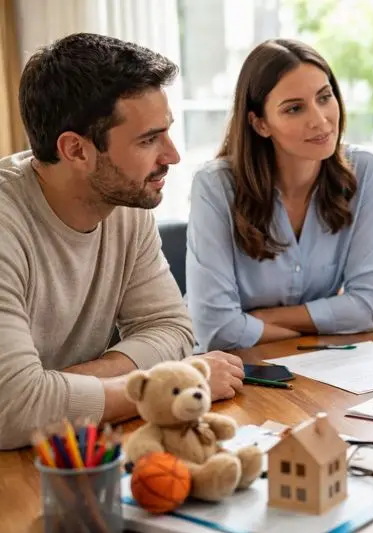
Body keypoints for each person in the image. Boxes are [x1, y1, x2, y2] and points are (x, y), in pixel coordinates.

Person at [0, 33, 245, 450]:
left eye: (165, 133)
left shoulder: (124, 203)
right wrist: (173, 387)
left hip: (68, 450)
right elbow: (13, 409)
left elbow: (170, 327)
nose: (171, 155)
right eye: (149, 139)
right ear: (76, 150)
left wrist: (70, 384)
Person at [186, 38, 373, 352]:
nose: (320, 120)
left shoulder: (364, 173)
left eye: (324, 97)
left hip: (313, 367)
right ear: (260, 123)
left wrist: (262, 319)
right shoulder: (215, 186)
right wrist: (318, 326)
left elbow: (367, 306)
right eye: (294, 108)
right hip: (224, 368)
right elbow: (217, 329)